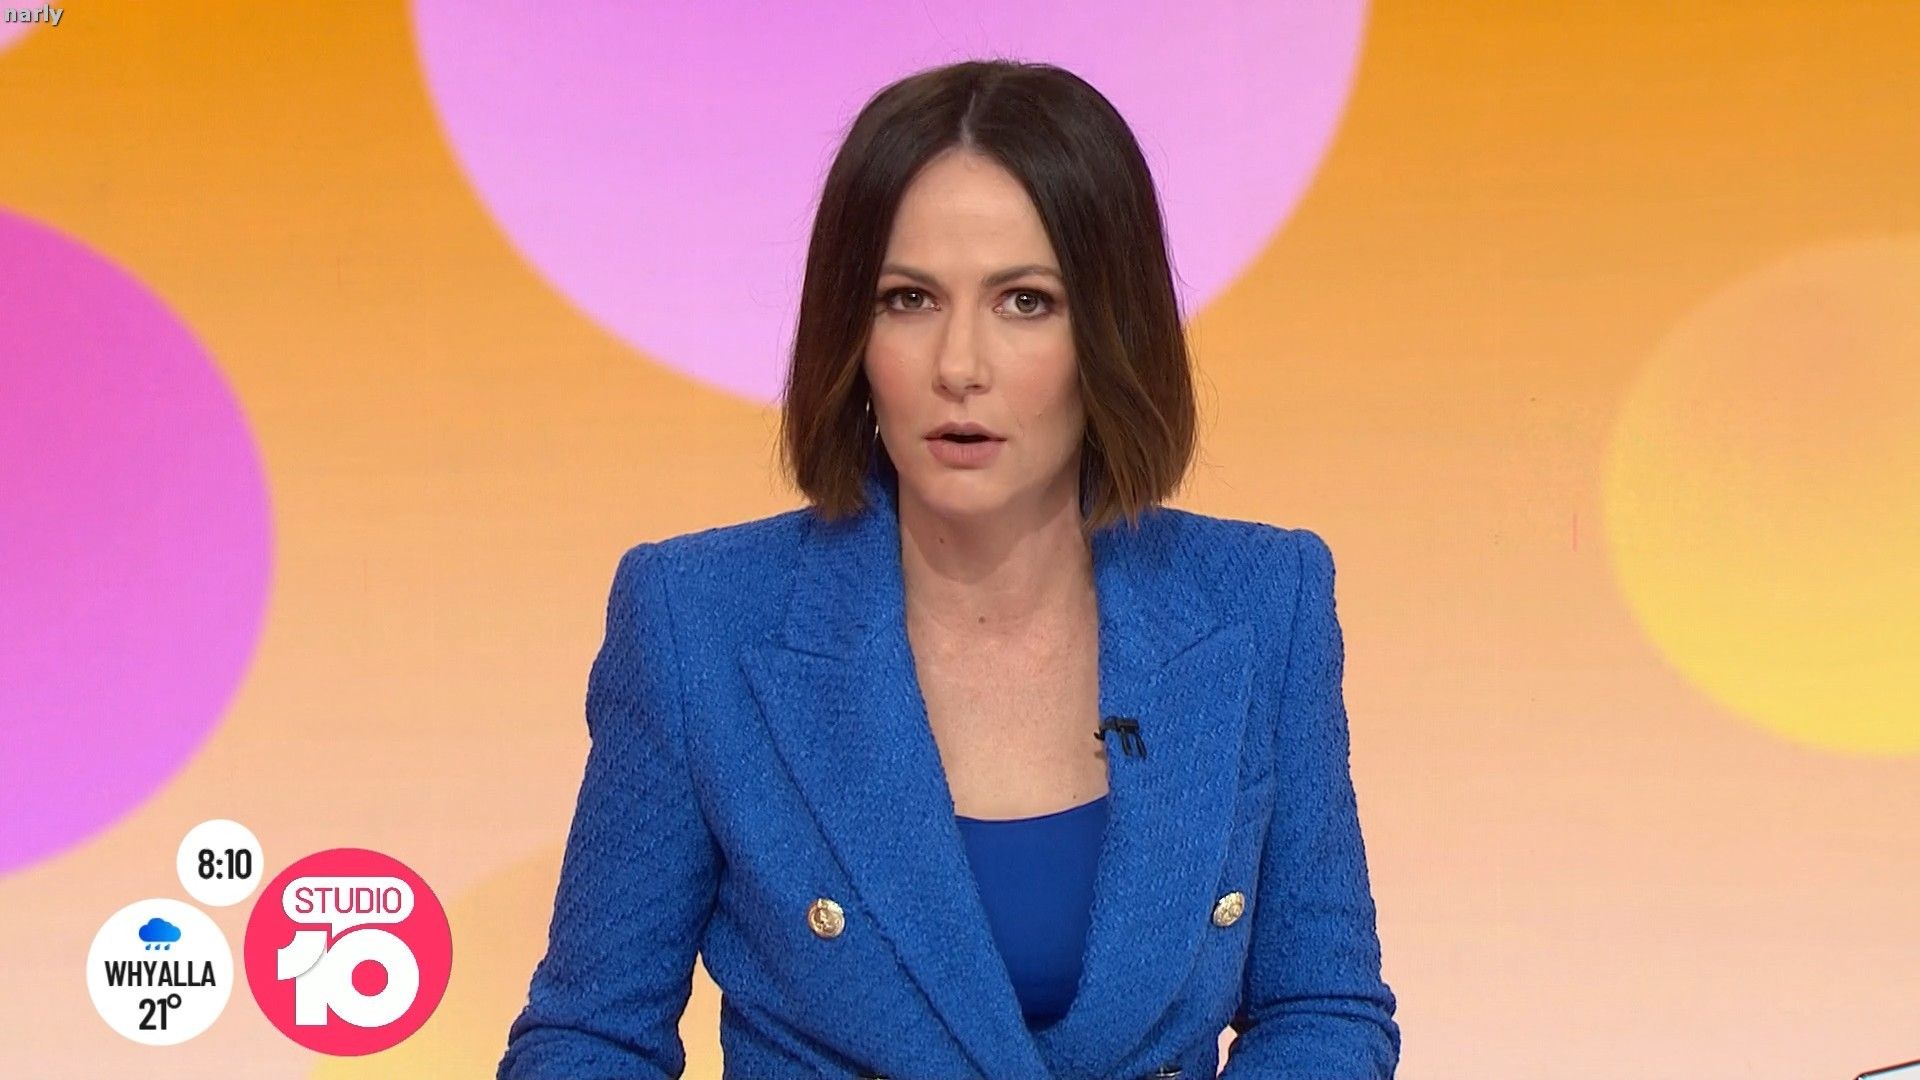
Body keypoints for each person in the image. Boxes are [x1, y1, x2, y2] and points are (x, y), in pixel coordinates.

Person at [497, 58, 1399, 1080]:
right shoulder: (696, 620)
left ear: (1114, 330)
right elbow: (590, 1040)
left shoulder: (1264, 601)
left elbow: (1322, 1009)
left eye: (1025, 302)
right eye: (909, 299)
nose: (958, 365)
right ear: (852, 332)